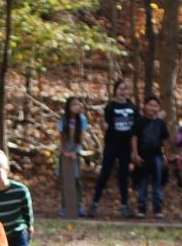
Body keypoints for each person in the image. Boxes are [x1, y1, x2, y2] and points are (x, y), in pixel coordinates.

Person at [89, 79, 140, 218]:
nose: (123, 91)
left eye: (125, 89)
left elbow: (137, 127)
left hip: (126, 147)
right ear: (115, 91)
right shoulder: (110, 107)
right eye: (120, 89)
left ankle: (124, 205)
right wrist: (101, 117)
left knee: (124, 176)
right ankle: (94, 204)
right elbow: (105, 127)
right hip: (112, 145)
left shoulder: (132, 107)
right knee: (105, 174)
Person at [131, 97, 170, 219]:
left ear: (158, 108)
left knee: (157, 182)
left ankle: (158, 208)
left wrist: (166, 156)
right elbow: (134, 138)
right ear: (145, 106)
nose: (152, 108)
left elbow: (165, 141)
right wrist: (135, 154)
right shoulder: (139, 122)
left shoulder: (161, 123)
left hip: (157, 155)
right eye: (150, 105)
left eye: (155, 106)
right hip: (142, 155)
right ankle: (142, 207)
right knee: (142, 182)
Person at [58, 96, 89, 218]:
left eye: (78, 104)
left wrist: (75, 152)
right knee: (65, 180)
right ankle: (64, 206)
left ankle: (79, 206)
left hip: (76, 152)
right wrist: (65, 151)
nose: (77, 107)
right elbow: (61, 138)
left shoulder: (82, 119)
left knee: (76, 180)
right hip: (65, 152)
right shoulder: (64, 120)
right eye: (74, 105)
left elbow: (81, 138)